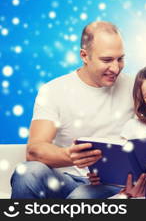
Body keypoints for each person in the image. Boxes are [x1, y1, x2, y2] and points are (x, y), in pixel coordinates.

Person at [10, 21, 135, 199]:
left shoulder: (135, 87)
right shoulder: (53, 90)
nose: (115, 68)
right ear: (84, 55)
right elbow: (34, 150)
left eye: (120, 58)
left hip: (111, 185)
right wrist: (68, 156)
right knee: (28, 172)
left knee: (80, 197)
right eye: (107, 60)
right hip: (66, 179)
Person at [68, 64, 146, 198]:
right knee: (80, 195)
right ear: (143, 100)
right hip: (132, 189)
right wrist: (102, 177)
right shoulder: (133, 126)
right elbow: (122, 166)